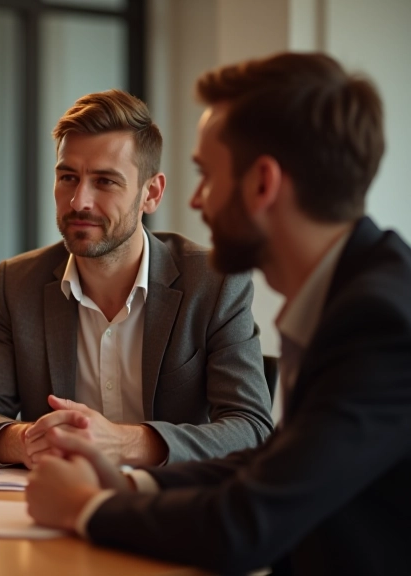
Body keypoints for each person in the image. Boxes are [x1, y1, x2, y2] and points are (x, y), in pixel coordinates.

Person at [25, 52, 411, 575]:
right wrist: (129, 482)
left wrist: (87, 508)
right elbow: (275, 468)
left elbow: (247, 524)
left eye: (206, 175)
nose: (198, 201)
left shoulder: (379, 321)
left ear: (262, 184)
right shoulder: (354, 290)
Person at [0, 89, 272, 470]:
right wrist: (31, 440)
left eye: (105, 182)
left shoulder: (213, 282)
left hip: (170, 512)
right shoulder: (19, 283)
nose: (79, 201)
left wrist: (124, 443)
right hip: (56, 508)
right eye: (68, 177)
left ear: (151, 193)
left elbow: (251, 429)